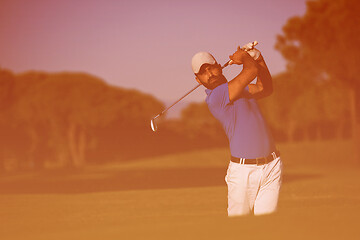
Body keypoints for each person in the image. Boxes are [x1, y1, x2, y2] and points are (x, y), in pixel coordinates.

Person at [191, 44, 282, 216]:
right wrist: (245, 57)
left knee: (268, 228)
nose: (209, 74)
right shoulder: (216, 97)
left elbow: (265, 88)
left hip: (272, 166)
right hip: (243, 173)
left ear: (220, 67)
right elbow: (250, 72)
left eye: (211, 68)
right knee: (239, 230)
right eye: (203, 72)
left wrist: (259, 59)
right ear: (198, 80)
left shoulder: (241, 90)